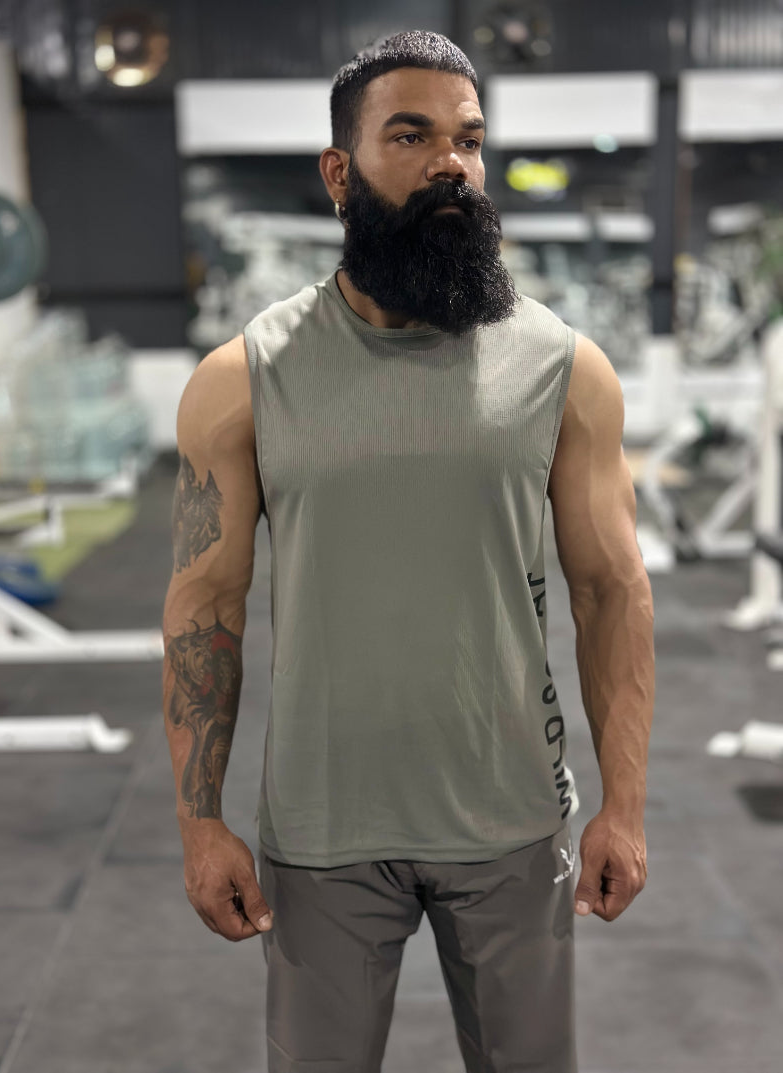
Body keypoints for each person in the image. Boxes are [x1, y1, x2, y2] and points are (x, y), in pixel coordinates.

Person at [162, 29, 654, 1073]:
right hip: (322, 832)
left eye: (469, 140)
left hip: (513, 819)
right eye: (412, 135)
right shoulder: (244, 378)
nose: (451, 164)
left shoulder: (564, 369)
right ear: (339, 172)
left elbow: (612, 592)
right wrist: (201, 824)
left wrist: (626, 805)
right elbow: (204, 608)